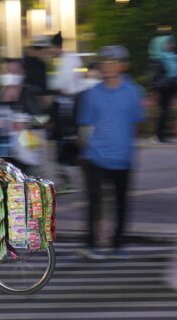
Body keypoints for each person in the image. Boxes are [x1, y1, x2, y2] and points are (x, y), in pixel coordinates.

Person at [77, 45, 146, 260]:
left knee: (121, 203)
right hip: (95, 156)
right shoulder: (92, 94)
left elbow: (138, 123)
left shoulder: (134, 92)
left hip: (122, 157)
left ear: (123, 65)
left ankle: (118, 243)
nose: (108, 66)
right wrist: (82, 150)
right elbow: (85, 125)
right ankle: (92, 244)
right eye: (105, 62)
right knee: (94, 202)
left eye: (113, 62)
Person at [0, 58, 45, 175]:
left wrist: (27, 123)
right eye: (7, 72)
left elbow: (43, 119)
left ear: (22, 73)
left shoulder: (31, 93)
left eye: (14, 72)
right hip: (0, 149)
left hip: (26, 149)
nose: (11, 76)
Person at [48, 31, 84, 191]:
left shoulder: (70, 60)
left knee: (67, 142)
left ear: (57, 47)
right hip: (61, 105)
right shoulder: (64, 61)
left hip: (70, 106)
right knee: (62, 142)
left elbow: (68, 86)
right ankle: (66, 179)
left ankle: (68, 180)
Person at [147, 34, 177, 143]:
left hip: (171, 88)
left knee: (167, 113)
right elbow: (154, 77)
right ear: (161, 45)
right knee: (162, 113)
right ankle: (158, 135)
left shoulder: (173, 58)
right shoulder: (157, 59)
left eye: (171, 43)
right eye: (168, 43)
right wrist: (153, 92)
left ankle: (162, 135)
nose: (171, 45)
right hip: (162, 89)